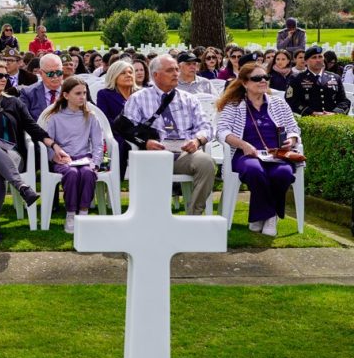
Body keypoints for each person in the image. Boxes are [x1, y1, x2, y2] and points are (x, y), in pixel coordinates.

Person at [0, 59, 67, 242]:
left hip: (12, 155)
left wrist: (54, 146)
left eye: (6, 76)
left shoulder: (14, 103)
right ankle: (22, 187)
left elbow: (33, 128)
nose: (4, 79)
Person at [121, 54, 215, 215]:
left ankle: (194, 217)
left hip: (184, 152)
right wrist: (146, 143)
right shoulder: (138, 98)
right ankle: (153, 217)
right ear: (155, 75)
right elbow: (127, 129)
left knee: (207, 163)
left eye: (177, 70)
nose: (176, 74)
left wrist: (197, 140)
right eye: (170, 70)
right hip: (153, 153)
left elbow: (206, 126)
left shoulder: (189, 99)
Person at [216, 62, 301, 237]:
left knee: (283, 173)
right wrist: (243, 144)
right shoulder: (234, 105)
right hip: (246, 154)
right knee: (255, 170)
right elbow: (222, 131)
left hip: (277, 154)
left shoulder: (279, 103)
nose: (263, 81)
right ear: (245, 83)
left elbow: (294, 128)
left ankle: (261, 217)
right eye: (257, 78)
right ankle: (270, 216)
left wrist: (291, 140)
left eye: (265, 77)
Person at [40, 77, 104, 233]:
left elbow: (98, 143)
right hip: (64, 160)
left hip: (85, 158)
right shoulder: (54, 118)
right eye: (78, 93)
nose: (82, 97)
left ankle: (83, 212)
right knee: (72, 174)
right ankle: (70, 213)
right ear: (66, 95)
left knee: (88, 173)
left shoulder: (91, 116)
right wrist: (53, 157)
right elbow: (48, 142)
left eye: (84, 93)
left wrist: (96, 163)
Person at [95, 60, 138, 178]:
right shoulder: (104, 94)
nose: (128, 75)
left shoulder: (140, 94)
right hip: (116, 133)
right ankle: (115, 183)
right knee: (120, 144)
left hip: (139, 134)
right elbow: (104, 119)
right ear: (114, 76)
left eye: (130, 72)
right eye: (123, 73)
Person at [285, 45, 350, 116]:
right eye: (314, 57)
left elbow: (344, 101)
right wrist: (312, 113)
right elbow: (291, 100)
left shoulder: (334, 77)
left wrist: (335, 113)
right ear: (306, 61)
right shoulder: (297, 78)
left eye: (320, 57)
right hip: (309, 119)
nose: (318, 60)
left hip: (332, 119)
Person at [20, 53, 65, 120]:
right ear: (41, 73)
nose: (55, 77)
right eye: (50, 73)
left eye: (59, 73)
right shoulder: (28, 93)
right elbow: (24, 121)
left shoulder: (72, 91)